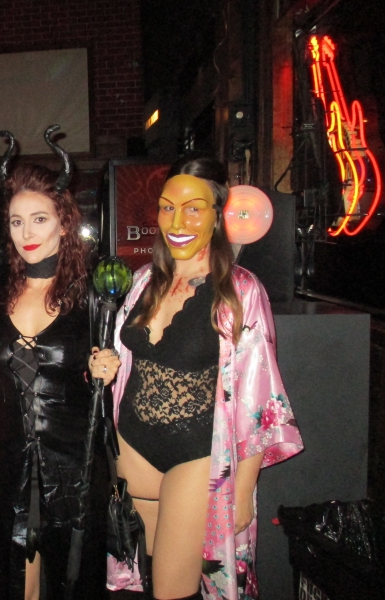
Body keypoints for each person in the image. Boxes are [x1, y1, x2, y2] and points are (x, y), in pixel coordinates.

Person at [105, 157, 304, 600]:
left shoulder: (239, 290)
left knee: (171, 591)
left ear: (217, 215)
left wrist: (244, 489)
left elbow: (259, 397)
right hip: (132, 448)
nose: (177, 222)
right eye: (167, 207)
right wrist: (103, 366)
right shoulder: (142, 281)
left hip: (196, 454)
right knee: (139, 584)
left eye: (193, 209)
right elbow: (124, 362)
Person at [0, 130, 114, 600]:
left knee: (70, 581)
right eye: (16, 221)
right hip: (8, 462)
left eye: (39, 219)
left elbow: (121, 375)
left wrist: (108, 368)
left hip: (73, 466)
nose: (27, 234)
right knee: (15, 580)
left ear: (63, 223)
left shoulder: (93, 294)